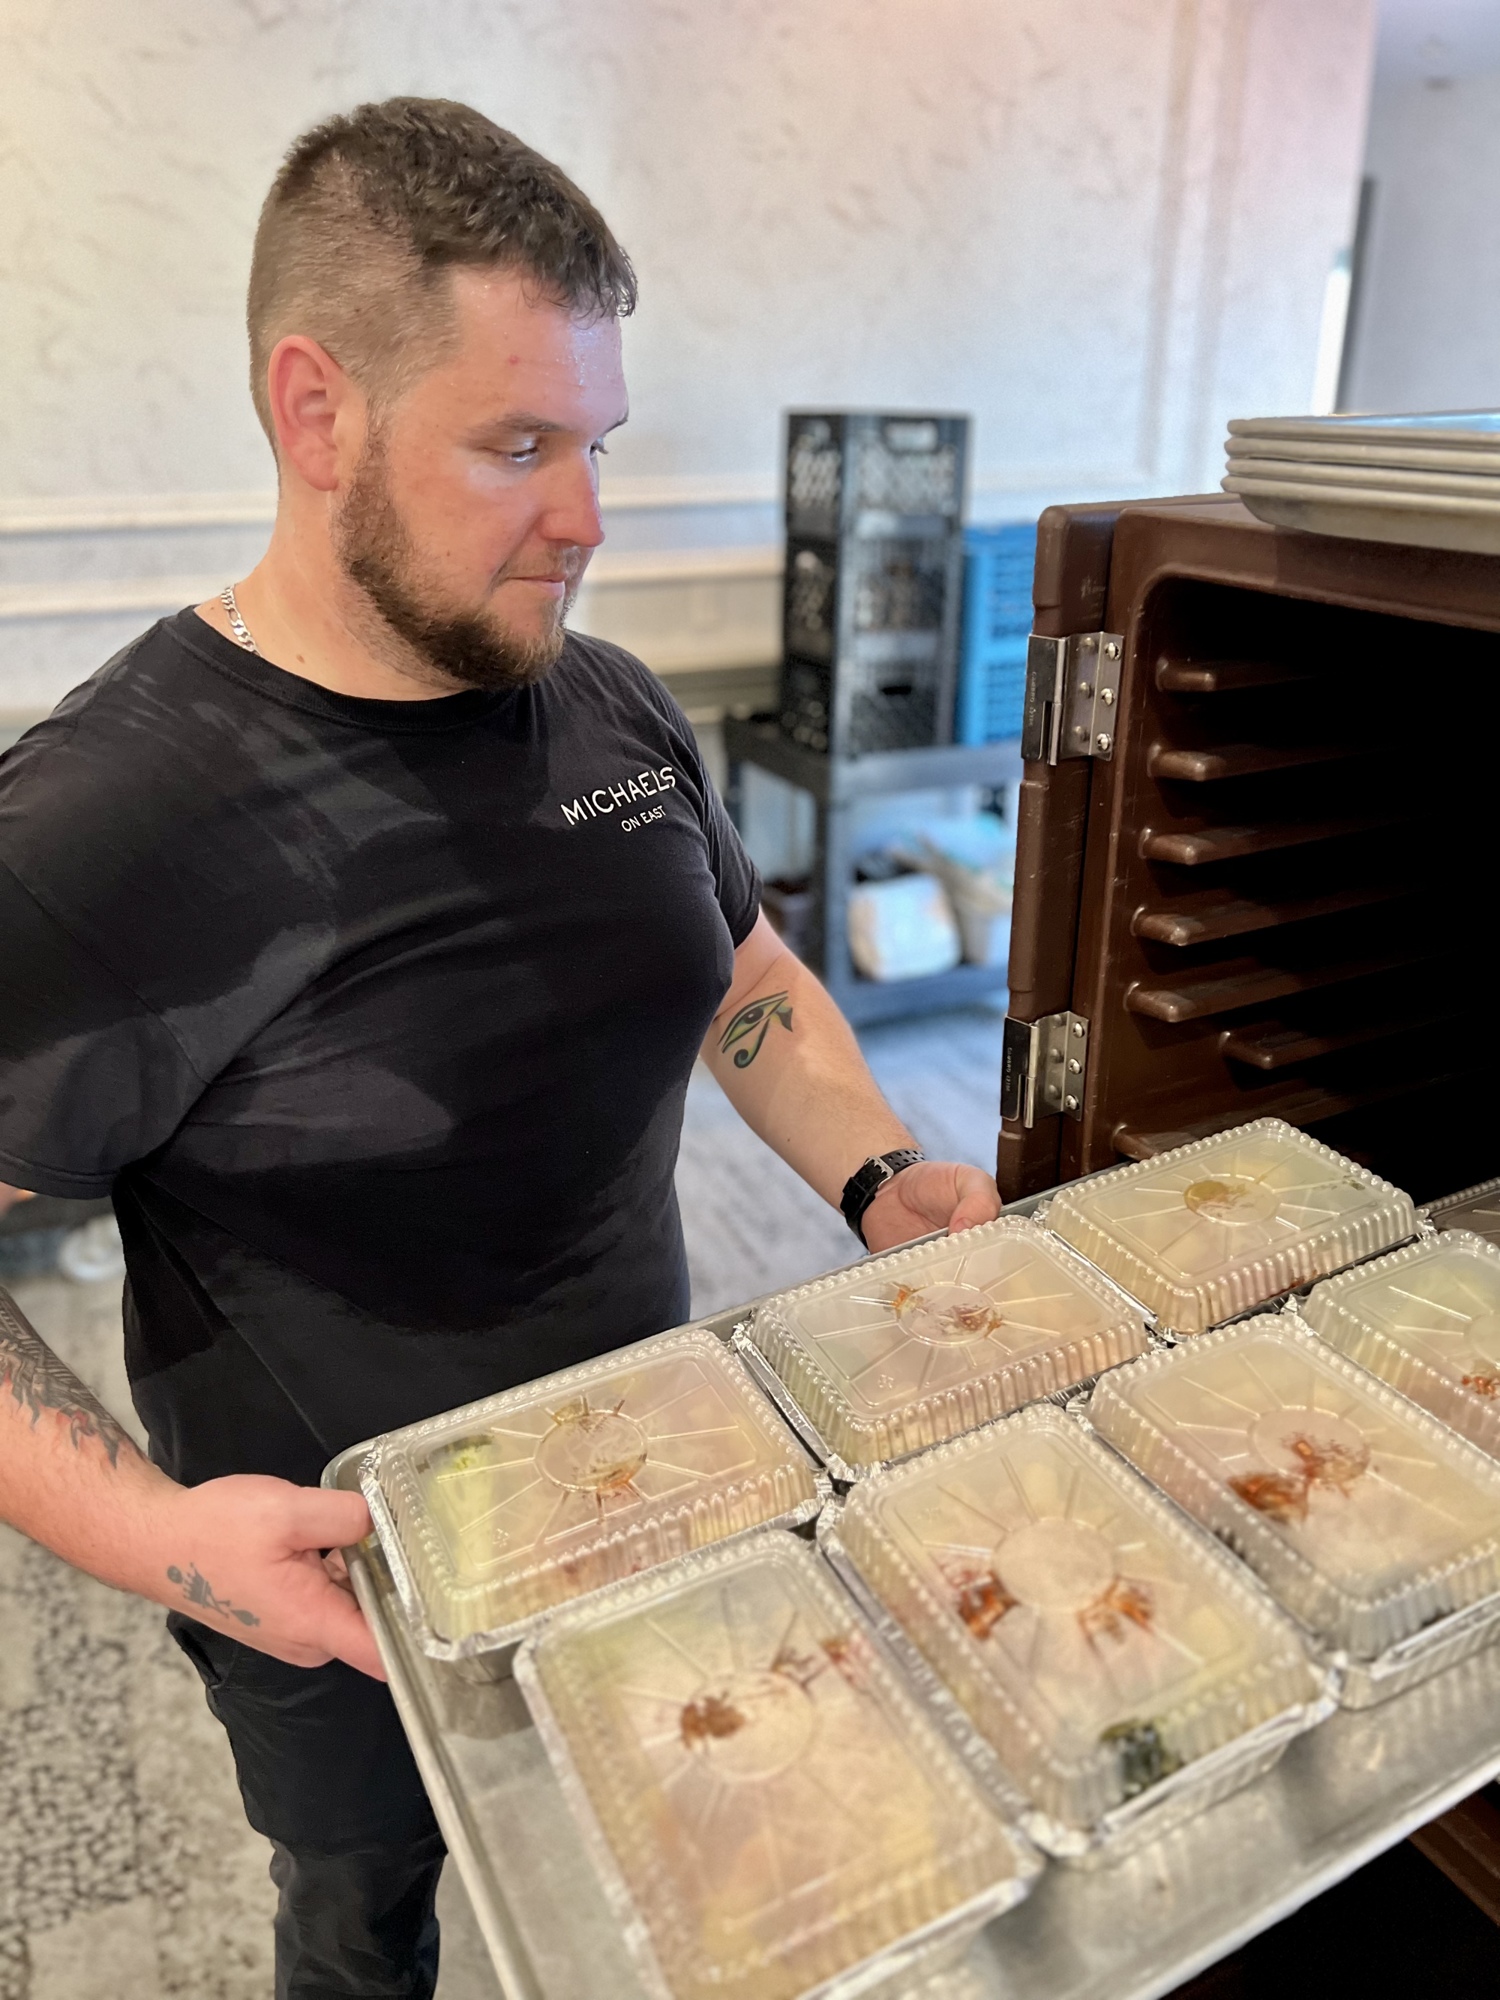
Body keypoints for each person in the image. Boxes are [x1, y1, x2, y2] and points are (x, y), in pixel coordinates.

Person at [0, 97, 1001, 2000]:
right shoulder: (110, 822)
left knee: (662, 1858)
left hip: (656, 1493)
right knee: (366, 1931)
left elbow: (745, 975)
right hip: (343, 1596)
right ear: (317, 413)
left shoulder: (598, 697)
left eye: (598, 442)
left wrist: (881, 1172)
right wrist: (158, 1540)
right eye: (518, 445)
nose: (589, 518)